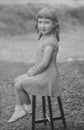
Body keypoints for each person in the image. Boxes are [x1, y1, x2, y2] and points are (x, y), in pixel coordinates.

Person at [8, 7, 62, 123]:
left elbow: (44, 64)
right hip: (41, 73)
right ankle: (18, 109)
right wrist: (32, 71)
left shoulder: (50, 42)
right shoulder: (43, 37)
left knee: (19, 84)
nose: (42, 26)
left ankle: (28, 108)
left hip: (48, 77)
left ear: (54, 24)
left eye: (46, 22)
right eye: (40, 22)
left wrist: (32, 73)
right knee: (16, 80)